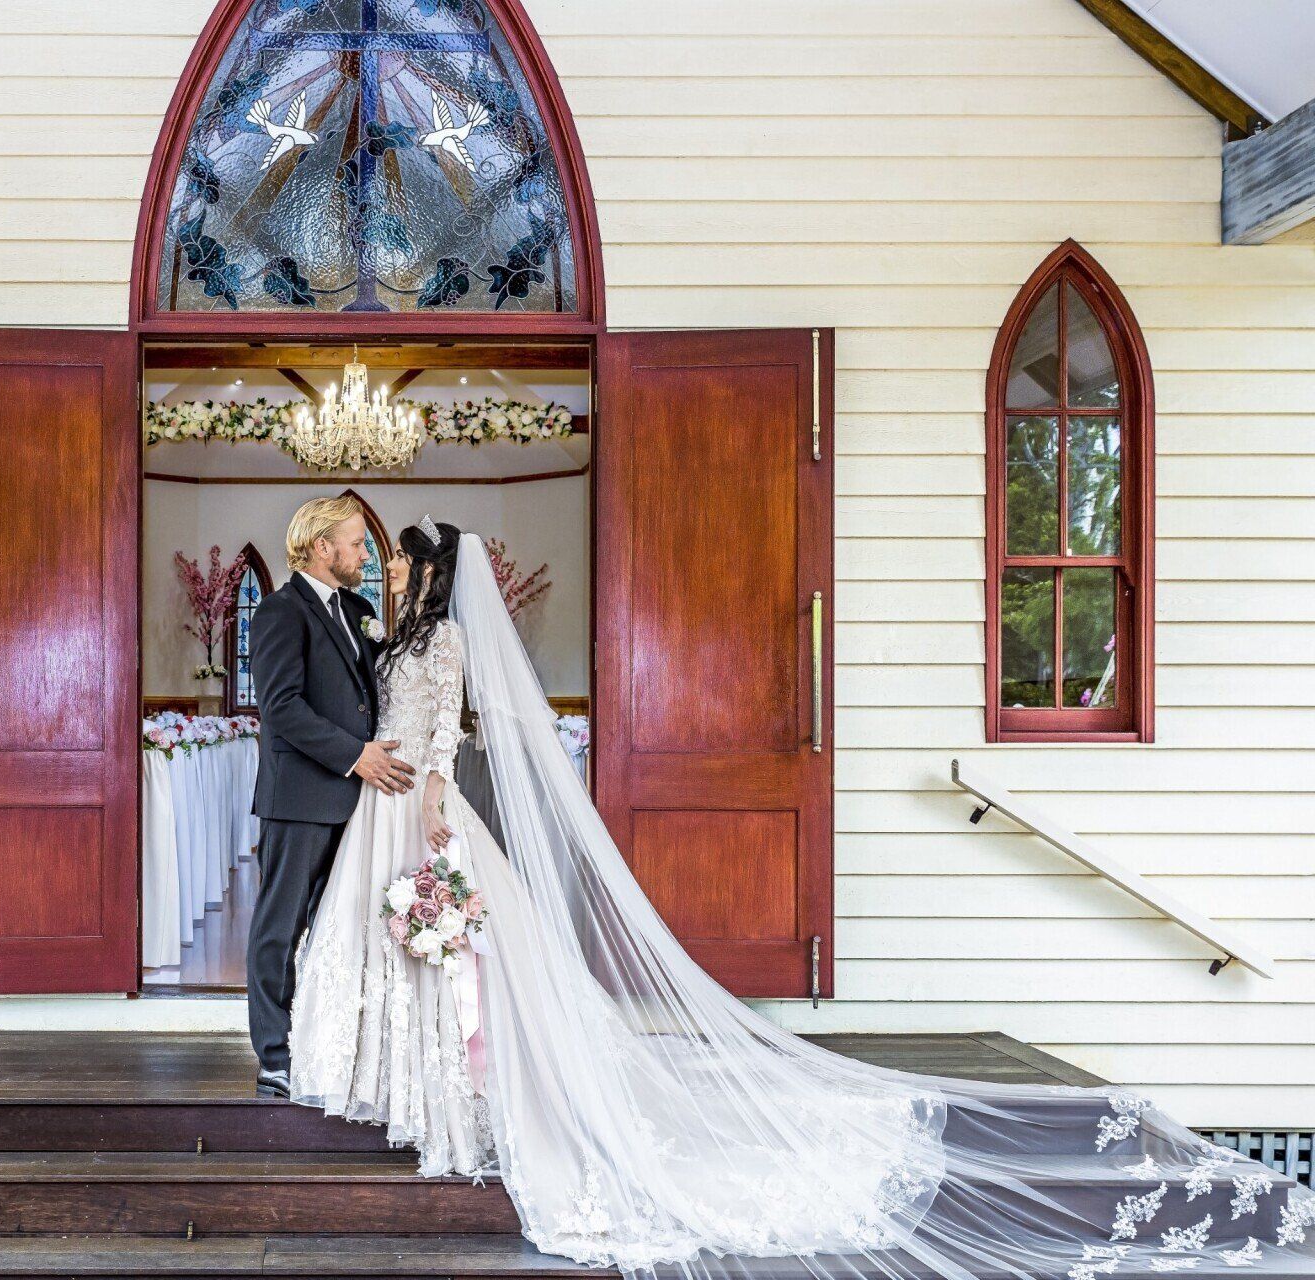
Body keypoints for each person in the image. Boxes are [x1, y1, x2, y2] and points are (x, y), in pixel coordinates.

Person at [288, 516, 1315, 1280]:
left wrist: (429, 802)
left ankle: (457, 1097)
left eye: (403, 559)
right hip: (379, 796)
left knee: (458, 949)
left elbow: (445, 732)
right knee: (410, 950)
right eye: (382, 557)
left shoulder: (445, 641)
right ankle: (399, 1081)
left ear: (434, 571)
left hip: (414, 802)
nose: (390, 567)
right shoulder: (391, 628)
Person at [244, 494, 415, 1099]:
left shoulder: (356, 607)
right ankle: (274, 1054)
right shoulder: (278, 612)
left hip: (357, 805)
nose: (364, 552)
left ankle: (325, 1042)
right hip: (299, 800)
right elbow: (282, 707)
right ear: (322, 547)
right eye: (355, 541)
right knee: (280, 927)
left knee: (339, 929)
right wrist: (355, 754)